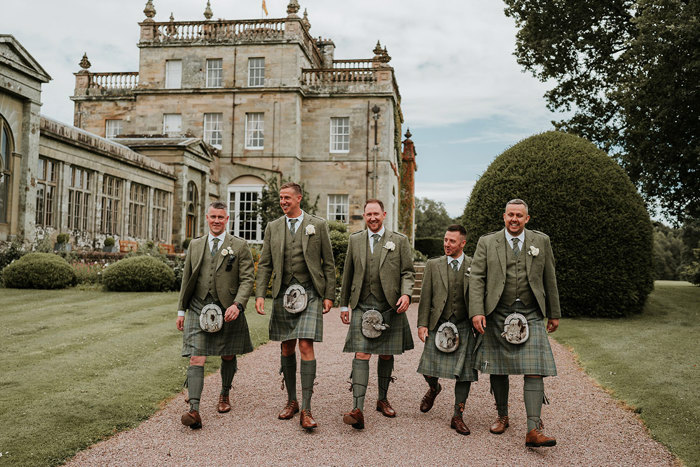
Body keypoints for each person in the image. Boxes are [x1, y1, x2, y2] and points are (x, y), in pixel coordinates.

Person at [469, 199, 561, 447]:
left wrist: (554, 312)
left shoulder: (541, 241)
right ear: (504, 216)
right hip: (498, 312)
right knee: (499, 367)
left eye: (519, 215)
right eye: (510, 214)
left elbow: (549, 276)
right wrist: (477, 310)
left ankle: (533, 428)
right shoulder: (487, 242)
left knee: (535, 367)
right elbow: (477, 277)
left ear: (527, 219)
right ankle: (502, 415)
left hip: (530, 312)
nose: (514, 219)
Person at [255, 182, 335, 431]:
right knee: (287, 344)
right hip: (283, 293)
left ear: (299, 198)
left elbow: (328, 264)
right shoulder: (273, 227)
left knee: (305, 343)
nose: (283, 201)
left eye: (287, 197)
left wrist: (328, 295)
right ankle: (292, 401)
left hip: (310, 292)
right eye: (281, 198)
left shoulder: (317, 225)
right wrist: (260, 293)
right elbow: (265, 263)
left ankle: (308, 408)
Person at [176, 201, 255, 430]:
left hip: (227, 308)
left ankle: (224, 393)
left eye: (221, 217)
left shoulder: (238, 246)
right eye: (213, 217)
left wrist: (238, 305)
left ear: (227, 219)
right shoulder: (195, 244)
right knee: (196, 356)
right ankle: (194, 408)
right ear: (207, 218)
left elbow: (247, 279)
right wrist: (181, 310)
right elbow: (187, 279)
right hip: (198, 305)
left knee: (228, 355)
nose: (217, 221)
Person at [339, 199, 414, 429]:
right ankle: (357, 408)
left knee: (386, 354)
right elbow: (348, 274)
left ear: (384, 214)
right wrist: (344, 305)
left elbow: (407, 273)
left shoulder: (399, 241)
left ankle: (382, 399)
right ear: (364, 215)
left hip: (389, 306)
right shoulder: (355, 240)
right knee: (361, 354)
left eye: (376, 214)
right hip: (362, 305)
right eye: (368, 214)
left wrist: (406, 294)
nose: (372, 218)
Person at [416, 224, 478, 435]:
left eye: (452, 241)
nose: (447, 244)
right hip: (439, 323)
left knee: (465, 374)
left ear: (463, 243)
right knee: (427, 367)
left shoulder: (475, 265)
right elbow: (425, 297)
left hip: (463, 324)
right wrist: (422, 324)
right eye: (445, 240)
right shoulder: (433, 265)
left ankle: (457, 415)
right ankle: (434, 388)